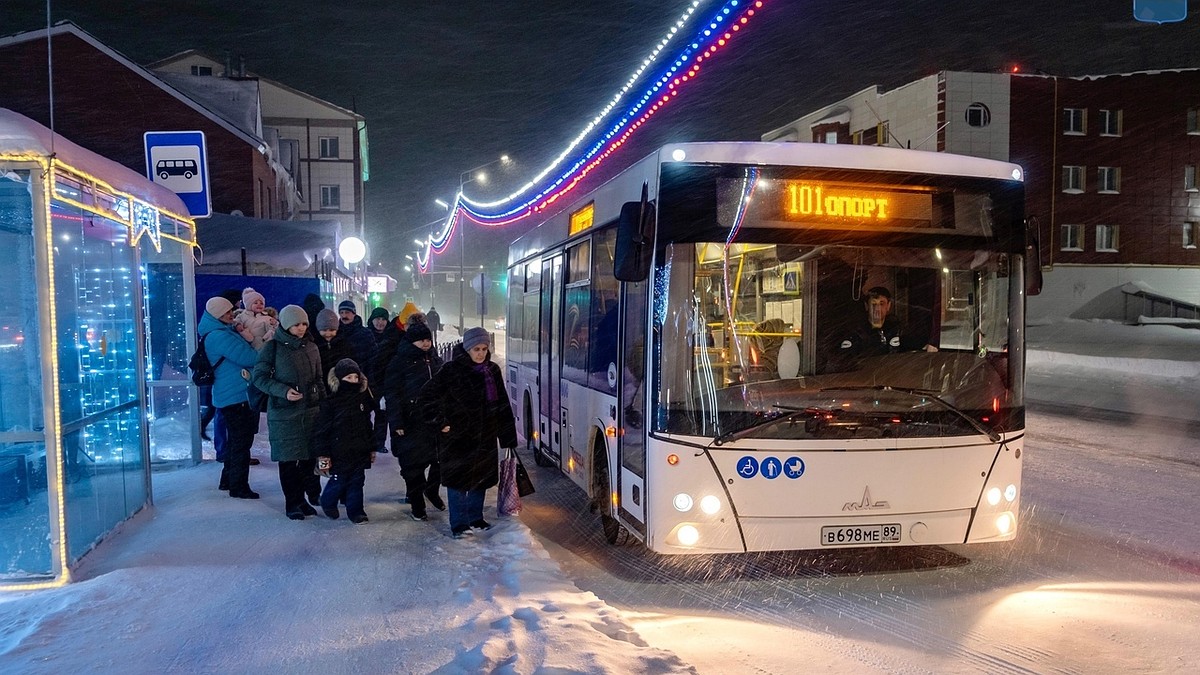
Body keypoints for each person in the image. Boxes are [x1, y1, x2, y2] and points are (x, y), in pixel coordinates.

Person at [418, 327, 517, 539]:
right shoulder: (451, 370)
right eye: (476, 349)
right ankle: (459, 524)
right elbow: (427, 397)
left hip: (485, 437)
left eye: (484, 348)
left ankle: (475, 518)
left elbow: (501, 404)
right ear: (467, 349)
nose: (481, 353)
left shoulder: (491, 371)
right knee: (457, 483)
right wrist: (441, 422)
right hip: (457, 438)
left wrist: (507, 435)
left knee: (480, 480)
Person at [252, 305, 324, 520]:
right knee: (289, 461)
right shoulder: (272, 348)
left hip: (310, 412)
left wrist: (319, 397)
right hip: (285, 414)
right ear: (285, 324)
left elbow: (319, 377)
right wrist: (283, 391)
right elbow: (259, 378)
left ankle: (302, 500)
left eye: (303, 324)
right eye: (296, 324)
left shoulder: (312, 347)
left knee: (307, 461)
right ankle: (292, 503)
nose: (301, 328)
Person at [199, 295, 261, 499]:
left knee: (236, 442)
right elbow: (249, 357)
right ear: (217, 315)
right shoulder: (219, 336)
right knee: (241, 443)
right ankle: (239, 486)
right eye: (227, 312)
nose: (231, 315)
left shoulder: (220, 331)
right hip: (235, 396)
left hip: (232, 394)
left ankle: (228, 480)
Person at [384, 320, 444, 521]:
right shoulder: (399, 362)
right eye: (421, 340)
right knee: (413, 467)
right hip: (411, 422)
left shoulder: (435, 360)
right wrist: (397, 423)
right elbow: (392, 394)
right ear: (411, 342)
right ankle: (417, 504)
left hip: (434, 420)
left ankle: (431, 490)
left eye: (428, 339)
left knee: (439, 460)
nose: (426, 344)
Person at [312, 358, 377, 523]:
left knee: (357, 482)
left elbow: (367, 425)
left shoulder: (362, 400)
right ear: (339, 379)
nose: (353, 381)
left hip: (359, 448)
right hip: (339, 449)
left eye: (356, 378)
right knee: (339, 480)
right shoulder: (331, 403)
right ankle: (328, 500)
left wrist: (371, 447)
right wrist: (323, 453)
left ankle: (356, 511)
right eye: (349, 378)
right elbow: (322, 430)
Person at [837, 286, 936, 361]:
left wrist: (929, 345)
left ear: (888, 306)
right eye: (874, 304)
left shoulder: (896, 329)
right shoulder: (856, 333)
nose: (878, 309)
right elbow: (845, 361)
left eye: (881, 304)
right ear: (867, 306)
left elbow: (913, 344)